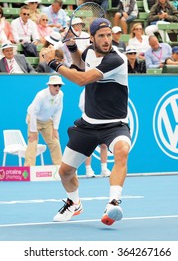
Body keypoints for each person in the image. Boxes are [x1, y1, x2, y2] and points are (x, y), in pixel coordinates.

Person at [43, 18, 131, 226]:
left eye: (109, 35)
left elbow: (82, 78)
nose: (107, 39)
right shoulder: (89, 51)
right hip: (88, 124)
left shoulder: (116, 59)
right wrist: (72, 46)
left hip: (115, 125)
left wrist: (54, 63)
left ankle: (113, 203)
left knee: (122, 150)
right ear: (92, 39)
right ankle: (74, 203)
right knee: (65, 172)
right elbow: (81, 63)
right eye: (101, 36)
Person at [24, 75, 64, 166]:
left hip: (47, 121)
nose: (58, 87)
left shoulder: (60, 95)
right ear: (49, 85)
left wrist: (55, 129)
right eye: (55, 85)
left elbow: (58, 111)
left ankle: (59, 168)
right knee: (32, 142)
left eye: (59, 85)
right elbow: (33, 113)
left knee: (55, 142)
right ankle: (28, 168)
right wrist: (33, 131)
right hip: (34, 119)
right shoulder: (41, 95)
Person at [78, 88, 110, 177]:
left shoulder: (104, 89)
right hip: (89, 120)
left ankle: (104, 169)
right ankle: (88, 169)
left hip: (102, 119)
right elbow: (81, 105)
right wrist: (91, 112)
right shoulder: (86, 90)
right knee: (89, 146)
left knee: (103, 145)